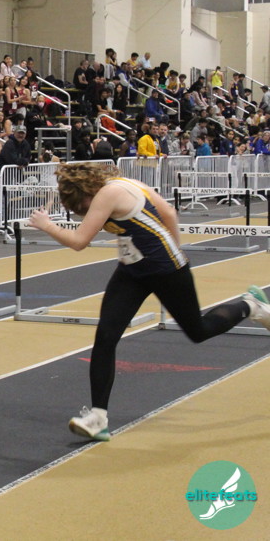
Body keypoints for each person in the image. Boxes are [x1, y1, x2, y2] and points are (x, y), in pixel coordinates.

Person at [29, 163, 270, 442]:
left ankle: (251, 305)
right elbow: (168, 212)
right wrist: (174, 245)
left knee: (199, 331)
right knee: (106, 336)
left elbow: (79, 241)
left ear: (85, 193)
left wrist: (46, 225)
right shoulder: (128, 183)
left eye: (81, 207)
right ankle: (97, 418)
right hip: (133, 270)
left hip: (164, 268)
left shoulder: (108, 194)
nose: (84, 211)